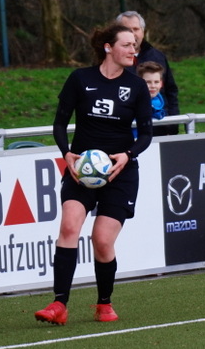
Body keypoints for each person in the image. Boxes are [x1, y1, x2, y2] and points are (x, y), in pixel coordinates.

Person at [34, 23, 153, 326]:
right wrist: (67, 153)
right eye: (126, 44)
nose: (133, 50)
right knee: (69, 227)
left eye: (135, 45)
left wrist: (127, 155)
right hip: (81, 171)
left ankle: (104, 303)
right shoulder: (80, 79)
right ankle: (59, 304)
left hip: (120, 173)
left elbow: (146, 134)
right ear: (108, 47)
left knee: (101, 240)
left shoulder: (137, 86)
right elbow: (60, 124)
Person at [117, 11, 180, 134]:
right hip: (127, 134)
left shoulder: (158, 56)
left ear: (143, 31)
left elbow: (171, 91)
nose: (132, 33)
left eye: (136, 29)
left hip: (160, 129)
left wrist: (173, 124)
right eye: (127, 30)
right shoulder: (111, 60)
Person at [136, 61, 175, 137]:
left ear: (161, 84)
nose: (153, 86)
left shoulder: (161, 104)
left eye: (156, 82)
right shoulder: (131, 104)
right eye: (148, 82)